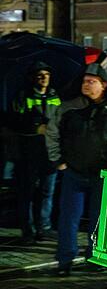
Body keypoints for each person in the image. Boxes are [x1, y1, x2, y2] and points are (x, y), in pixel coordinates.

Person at [46, 64, 107, 276]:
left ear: (103, 85)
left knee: (99, 217)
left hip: (104, 173)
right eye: (84, 81)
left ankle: (95, 256)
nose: (86, 85)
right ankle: (65, 259)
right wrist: (58, 160)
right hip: (74, 172)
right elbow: (52, 132)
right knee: (68, 217)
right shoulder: (69, 107)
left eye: (91, 81)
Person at [10, 62, 61, 243]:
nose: (44, 78)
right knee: (28, 192)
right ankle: (28, 230)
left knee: (48, 191)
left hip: (50, 153)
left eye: (47, 74)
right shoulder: (23, 96)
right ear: (32, 77)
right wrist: (34, 127)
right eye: (40, 75)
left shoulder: (56, 96)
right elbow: (14, 122)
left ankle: (44, 228)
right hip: (28, 152)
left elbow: (61, 120)